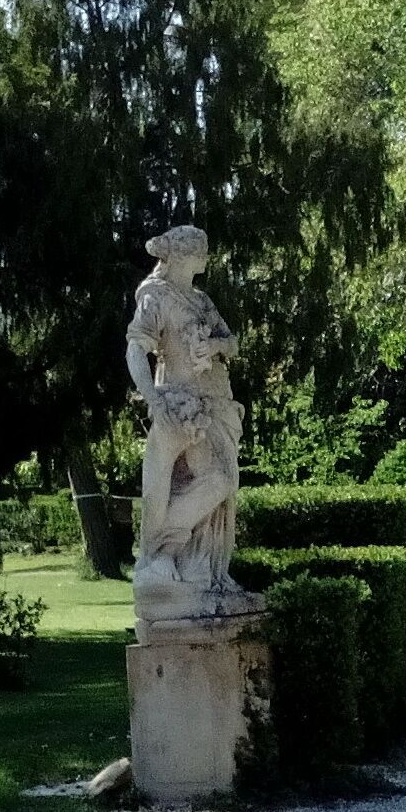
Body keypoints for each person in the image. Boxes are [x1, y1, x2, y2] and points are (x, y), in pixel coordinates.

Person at [125, 225, 261, 619]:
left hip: (216, 403)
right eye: (201, 252)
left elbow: (232, 343)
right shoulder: (155, 296)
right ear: (183, 256)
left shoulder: (201, 300)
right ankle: (161, 555)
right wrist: (152, 397)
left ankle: (193, 567)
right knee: (198, 481)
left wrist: (214, 345)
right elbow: (136, 349)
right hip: (182, 406)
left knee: (221, 482)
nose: (206, 258)